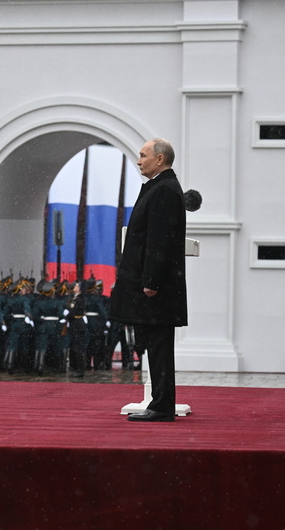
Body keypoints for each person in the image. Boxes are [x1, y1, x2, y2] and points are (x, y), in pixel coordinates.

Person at [109, 138, 187, 422]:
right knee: (156, 345)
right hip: (157, 287)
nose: (139, 160)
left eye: (143, 155)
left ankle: (162, 406)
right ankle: (161, 403)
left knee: (159, 346)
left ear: (161, 159)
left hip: (158, 289)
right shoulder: (160, 187)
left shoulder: (164, 190)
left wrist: (151, 282)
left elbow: (159, 240)